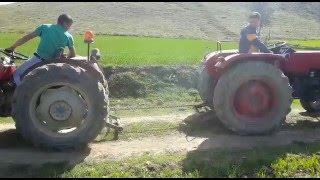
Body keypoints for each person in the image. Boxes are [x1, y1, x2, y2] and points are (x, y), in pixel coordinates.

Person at [5, 14, 76, 85]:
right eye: (70, 25)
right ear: (65, 23)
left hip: (39, 60)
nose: (69, 27)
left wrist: (12, 47)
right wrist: (64, 58)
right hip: (54, 64)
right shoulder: (69, 36)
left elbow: (26, 38)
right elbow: (73, 55)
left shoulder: (45, 27)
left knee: (16, 74)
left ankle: (20, 92)